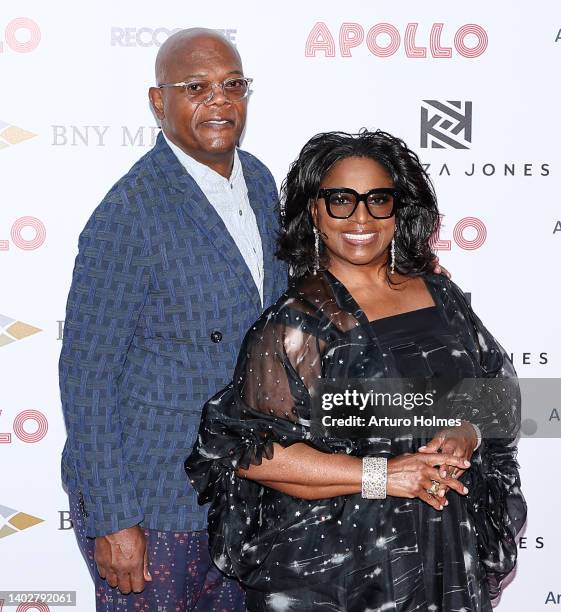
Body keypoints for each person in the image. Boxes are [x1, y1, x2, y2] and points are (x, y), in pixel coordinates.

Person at [185, 130, 527, 611]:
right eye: (341, 200)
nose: (361, 217)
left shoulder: (441, 296)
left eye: (378, 200)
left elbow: (499, 390)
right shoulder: (299, 322)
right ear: (314, 212)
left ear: (398, 209)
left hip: (446, 551)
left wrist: (466, 430)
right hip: (344, 573)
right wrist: (382, 475)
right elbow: (252, 454)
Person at [58, 28, 286, 611]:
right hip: (154, 502)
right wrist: (113, 518)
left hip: (244, 491)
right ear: (159, 102)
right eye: (197, 87)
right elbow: (86, 375)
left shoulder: (260, 181)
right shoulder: (127, 214)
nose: (219, 100)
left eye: (233, 85)